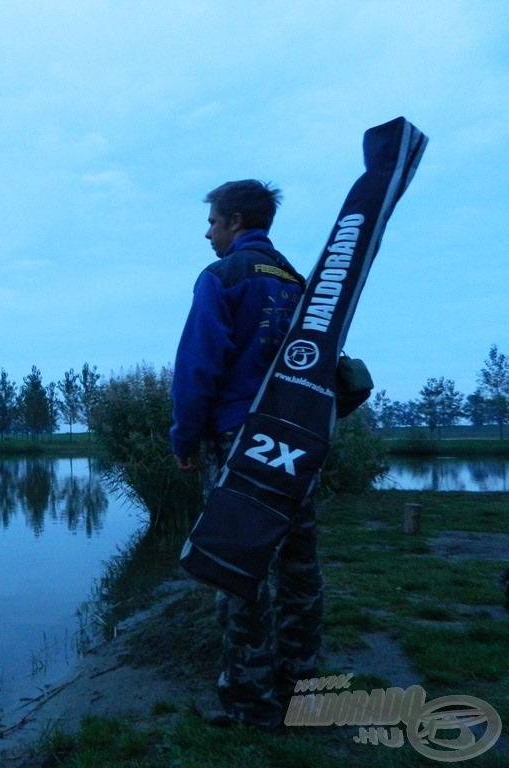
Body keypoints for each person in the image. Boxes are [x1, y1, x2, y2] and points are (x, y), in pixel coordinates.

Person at [170, 179, 323, 731]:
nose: (207, 230)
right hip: (297, 441)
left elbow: (198, 366)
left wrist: (185, 438)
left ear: (235, 221)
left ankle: (251, 702)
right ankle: (304, 690)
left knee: (239, 568)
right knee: (300, 567)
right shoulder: (302, 283)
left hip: (241, 440)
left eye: (212, 220)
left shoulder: (223, 277)